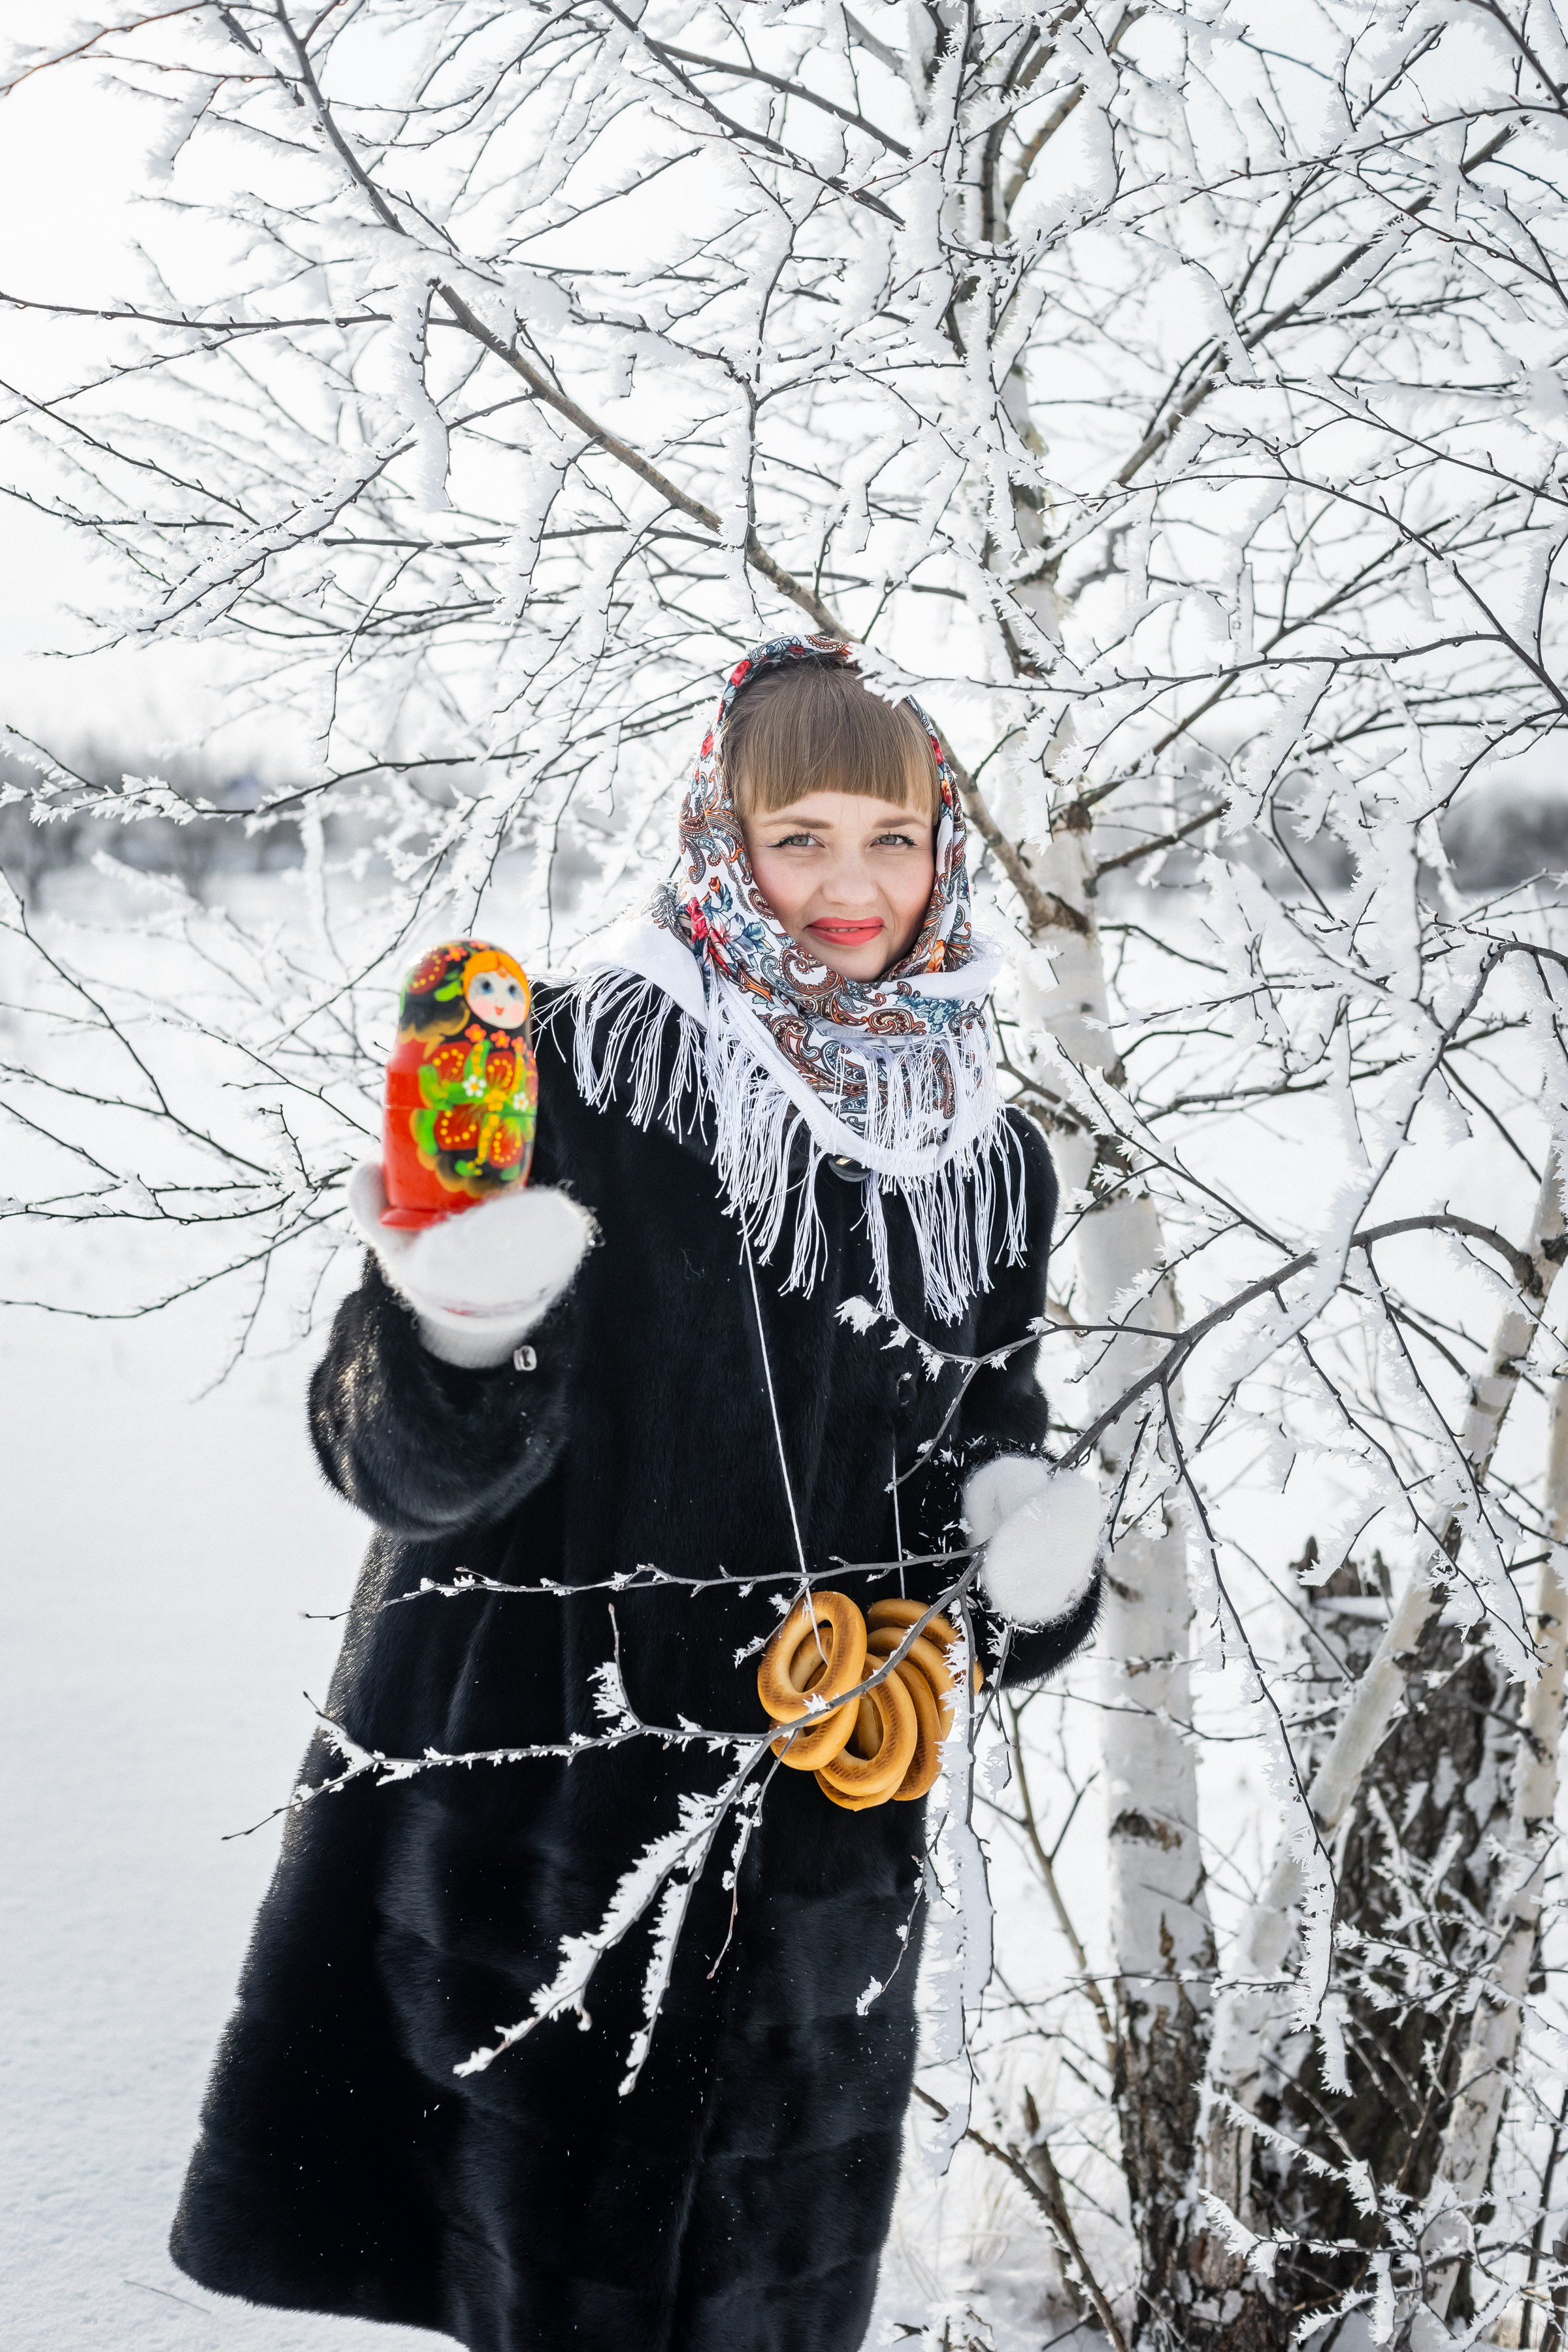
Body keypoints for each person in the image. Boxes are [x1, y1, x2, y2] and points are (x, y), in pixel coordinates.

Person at [171, 632, 1103, 2352]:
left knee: (757, 2307)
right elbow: (389, 1464)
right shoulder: (589, 1068)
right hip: (537, 1835)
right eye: (800, 835)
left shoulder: (982, 1156)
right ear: (718, 841)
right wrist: (453, 1330)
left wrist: (1024, 1581)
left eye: (893, 837)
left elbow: (979, 1459)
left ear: (945, 848)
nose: (852, 884)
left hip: (825, 1860)